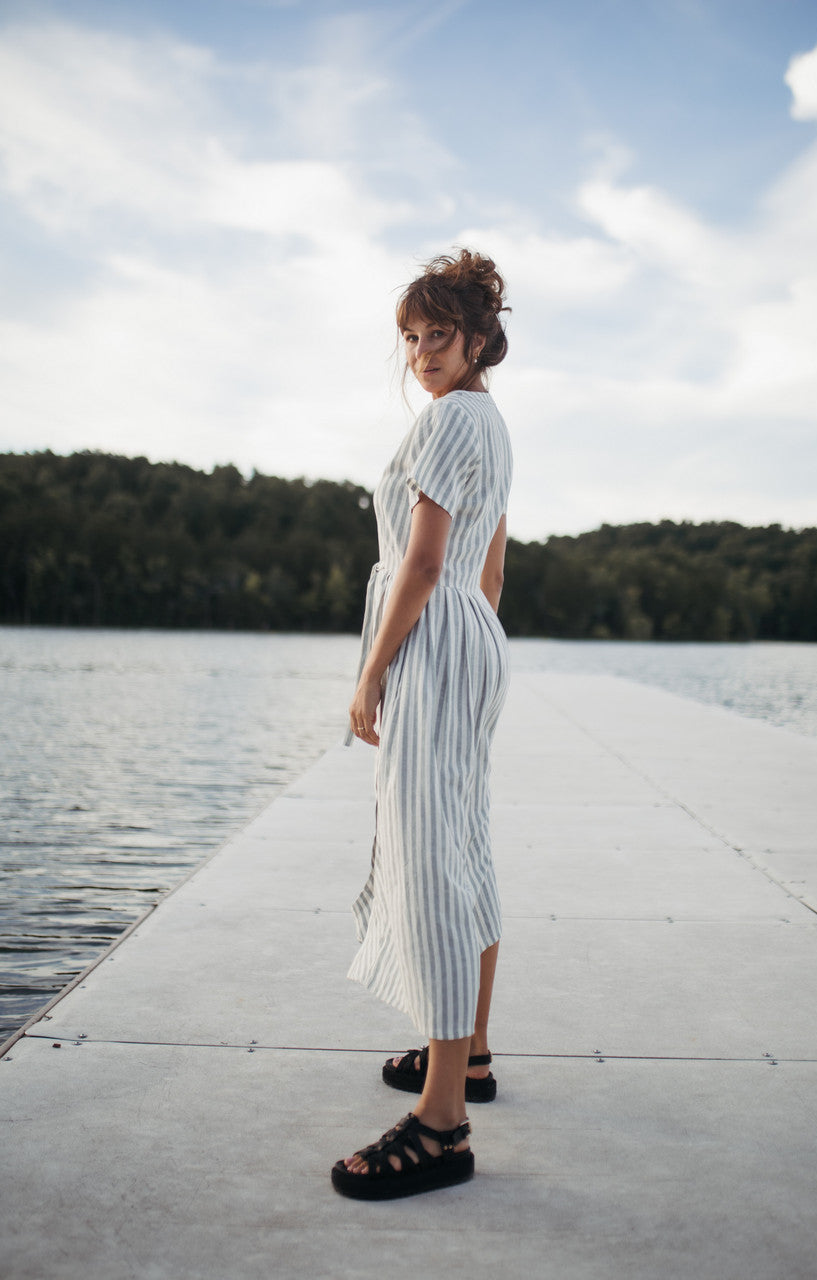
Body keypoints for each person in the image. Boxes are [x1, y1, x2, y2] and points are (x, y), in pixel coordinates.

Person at [330, 248, 512, 1201]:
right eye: (408, 338)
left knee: (430, 860)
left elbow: (429, 561)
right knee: (463, 843)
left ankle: (442, 1124)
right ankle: (467, 1055)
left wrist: (373, 670)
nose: (421, 353)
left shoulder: (449, 418)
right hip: (470, 640)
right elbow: (492, 566)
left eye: (437, 334)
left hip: (436, 640)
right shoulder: (492, 424)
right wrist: (474, 646)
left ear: (478, 338)